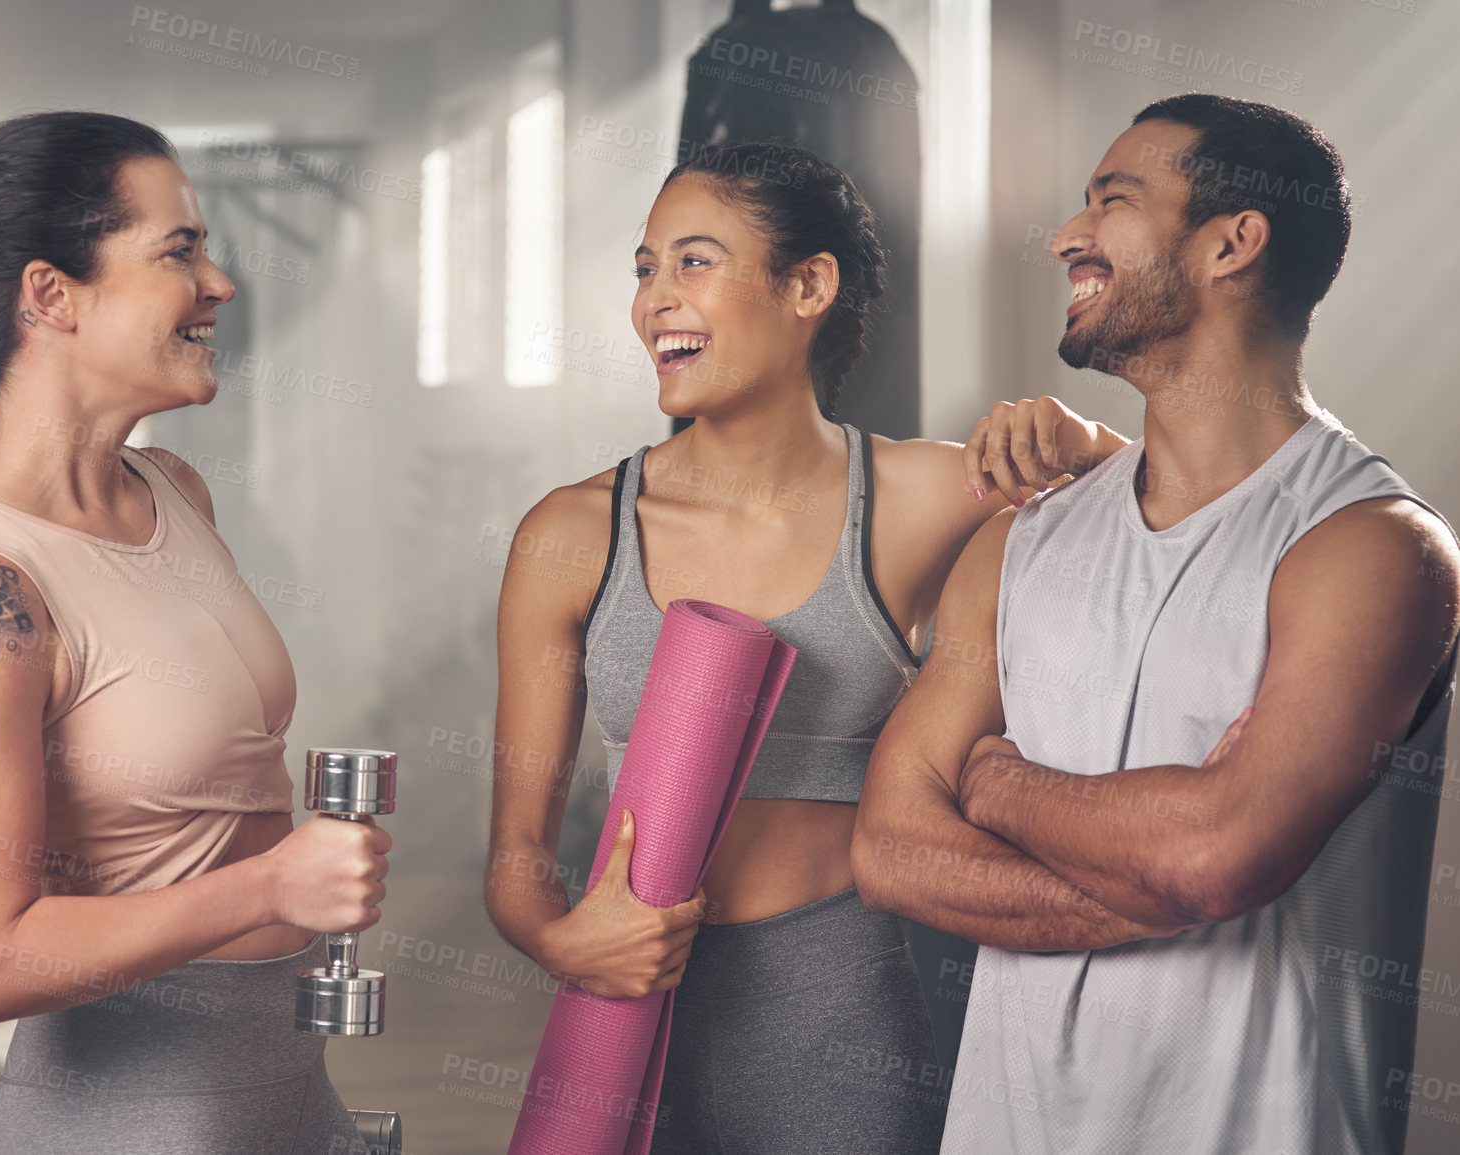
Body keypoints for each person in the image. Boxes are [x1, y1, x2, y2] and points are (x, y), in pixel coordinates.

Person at [485, 140, 1130, 1152]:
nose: (656, 299)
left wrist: (1084, 442)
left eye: (694, 262)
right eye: (645, 269)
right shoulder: (570, 537)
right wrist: (567, 942)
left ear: (808, 285)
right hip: (627, 1008)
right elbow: (517, 858)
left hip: (842, 1011)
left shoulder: (917, 497)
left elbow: (1151, 517)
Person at [853, 94, 1460, 1155]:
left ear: (1234, 242)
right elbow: (891, 852)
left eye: (1113, 201)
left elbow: (1215, 858)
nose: (1067, 237)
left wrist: (997, 786)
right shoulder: (1021, 539)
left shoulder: (1375, 548)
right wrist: (1164, 860)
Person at [0, 110, 386, 1154]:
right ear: (49, 296)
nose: (220, 284)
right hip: (126, 1126)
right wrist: (272, 884)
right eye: (180, 249)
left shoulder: (173, 491)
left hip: (287, 1103)